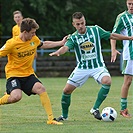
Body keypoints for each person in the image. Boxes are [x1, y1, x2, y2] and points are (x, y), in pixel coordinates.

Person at [49, 12, 133, 121]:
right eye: (78, 24)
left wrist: (129, 38)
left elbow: (111, 35)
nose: (80, 26)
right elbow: (66, 47)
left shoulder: (95, 30)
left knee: (107, 81)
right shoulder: (73, 37)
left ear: (85, 22)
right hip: (82, 68)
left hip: (97, 66)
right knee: (66, 91)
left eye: (82, 23)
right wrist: (59, 52)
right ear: (73, 24)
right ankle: (64, 116)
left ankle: (95, 109)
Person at [0, 18, 67, 125]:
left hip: (28, 74)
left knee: (41, 88)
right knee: (16, 97)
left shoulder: (33, 39)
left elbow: (43, 44)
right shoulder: (11, 43)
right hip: (14, 75)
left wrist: (61, 43)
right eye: (32, 33)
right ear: (25, 32)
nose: (34, 35)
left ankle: (50, 119)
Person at [110, 0, 133, 118]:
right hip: (130, 55)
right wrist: (113, 49)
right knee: (127, 81)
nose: (131, 6)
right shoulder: (122, 17)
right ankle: (123, 109)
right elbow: (113, 35)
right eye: (129, 4)